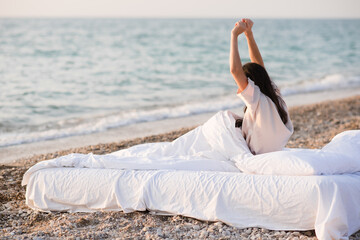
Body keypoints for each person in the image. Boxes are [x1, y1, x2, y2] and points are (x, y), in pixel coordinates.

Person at [230, 18, 294, 155]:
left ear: (250, 82)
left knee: (223, 119)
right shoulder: (274, 94)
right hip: (275, 151)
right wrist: (249, 34)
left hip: (257, 155)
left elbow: (235, 71)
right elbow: (259, 66)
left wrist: (234, 35)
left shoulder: (255, 97)